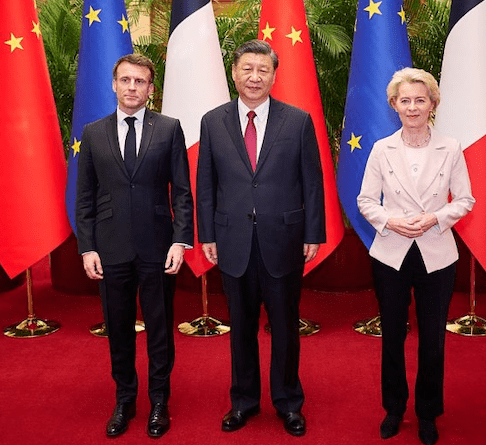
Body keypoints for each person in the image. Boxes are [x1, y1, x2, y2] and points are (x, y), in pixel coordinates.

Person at [196, 39, 325, 437]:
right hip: (232, 241)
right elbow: (206, 183)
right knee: (242, 328)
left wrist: (313, 232)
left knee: (286, 327)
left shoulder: (298, 120)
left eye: (263, 70)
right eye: (247, 69)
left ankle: (288, 402)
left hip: (283, 240)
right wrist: (207, 234)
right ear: (234, 73)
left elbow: (312, 182)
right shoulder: (212, 120)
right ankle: (243, 402)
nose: (254, 77)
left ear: (274, 75)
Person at [75, 53, 193, 439]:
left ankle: (160, 400)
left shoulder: (170, 129)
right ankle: (125, 399)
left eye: (140, 81)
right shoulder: (93, 133)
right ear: (114, 84)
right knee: (119, 329)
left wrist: (180, 240)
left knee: (159, 330)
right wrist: (87, 247)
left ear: (150, 89)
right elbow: (85, 197)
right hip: (109, 251)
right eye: (125, 80)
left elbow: (183, 193)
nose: (132, 87)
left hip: (159, 249)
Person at [357, 68, 474, 444]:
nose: (412, 107)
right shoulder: (381, 149)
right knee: (392, 334)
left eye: (420, 100)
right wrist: (391, 220)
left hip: (436, 253)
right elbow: (364, 202)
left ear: (432, 104)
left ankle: (427, 412)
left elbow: (466, 200)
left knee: (432, 338)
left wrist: (436, 218)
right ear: (394, 105)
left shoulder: (451, 147)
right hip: (391, 253)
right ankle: (393, 408)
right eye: (404, 100)